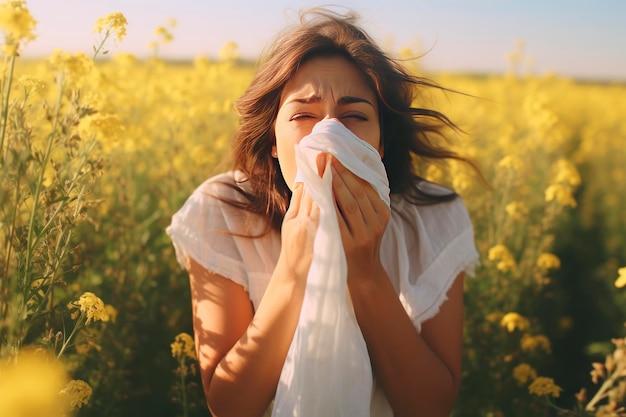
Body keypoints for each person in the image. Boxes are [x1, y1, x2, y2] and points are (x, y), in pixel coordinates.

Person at [167, 7, 480, 417]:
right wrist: (295, 269)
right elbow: (229, 406)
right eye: (303, 115)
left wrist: (366, 275)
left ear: (381, 142)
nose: (328, 134)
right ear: (274, 140)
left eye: (354, 116)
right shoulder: (222, 212)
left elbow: (430, 406)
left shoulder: (433, 218)